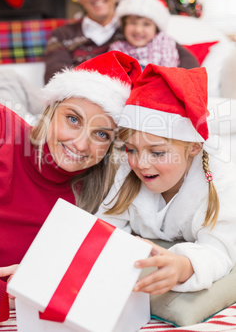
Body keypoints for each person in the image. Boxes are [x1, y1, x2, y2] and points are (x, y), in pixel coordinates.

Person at [0, 51, 141, 314]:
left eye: (101, 134)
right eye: (73, 119)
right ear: (50, 110)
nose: (81, 144)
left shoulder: (96, 199)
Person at [96, 63, 236, 295]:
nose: (141, 164)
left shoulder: (222, 183)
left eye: (157, 153)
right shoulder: (126, 174)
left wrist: (183, 266)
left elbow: (219, 250)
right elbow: (102, 226)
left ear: (193, 148)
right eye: (131, 150)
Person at [0, 0, 128, 119]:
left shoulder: (132, 32)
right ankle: (6, 132)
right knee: (3, 77)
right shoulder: (63, 34)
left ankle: (39, 130)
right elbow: (55, 78)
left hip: (116, 110)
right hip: (67, 104)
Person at [109, 0, 199, 70]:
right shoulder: (116, 49)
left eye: (146, 24)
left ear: (156, 29)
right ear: (124, 25)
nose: (138, 30)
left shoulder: (165, 44)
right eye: (132, 23)